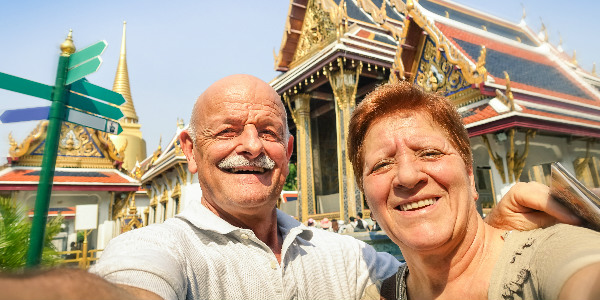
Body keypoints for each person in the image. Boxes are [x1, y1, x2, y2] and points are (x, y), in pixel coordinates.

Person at [0, 75, 583, 300]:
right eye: (227, 132)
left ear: (289, 152)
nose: (251, 146)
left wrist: (492, 234)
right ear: (189, 152)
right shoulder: (162, 250)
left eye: (269, 131)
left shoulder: (350, 260)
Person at [347, 81, 600, 300]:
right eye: (382, 164)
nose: (408, 176)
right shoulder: (378, 294)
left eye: (430, 153)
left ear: (470, 177)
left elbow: (585, 275)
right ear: (367, 201)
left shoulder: (546, 252)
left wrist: (584, 206)